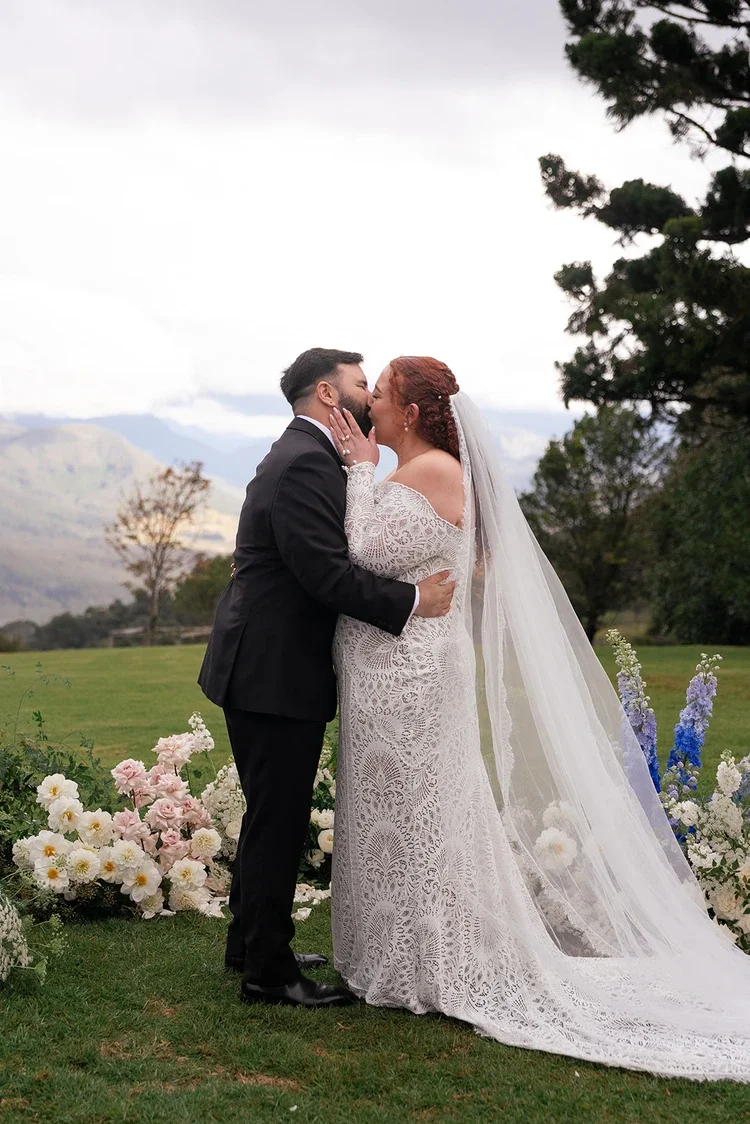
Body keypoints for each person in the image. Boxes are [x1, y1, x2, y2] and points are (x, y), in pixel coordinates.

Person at [327, 354, 750, 1080]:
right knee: (396, 815)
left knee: (420, 817)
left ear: (415, 415)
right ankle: (403, 952)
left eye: (384, 398)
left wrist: (358, 470)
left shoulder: (428, 472)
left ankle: (432, 963)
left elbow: (363, 549)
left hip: (412, 678)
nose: (374, 411)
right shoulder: (420, 470)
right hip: (386, 674)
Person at [198, 347, 455, 1009]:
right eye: (361, 385)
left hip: (267, 664)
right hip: (271, 672)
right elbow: (325, 574)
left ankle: (252, 945)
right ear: (326, 394)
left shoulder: (305, 455)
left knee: (270, 816)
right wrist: (410, 602)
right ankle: (268, 973)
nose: (371, 398)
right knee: (278, 821)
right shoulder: (304, 463)